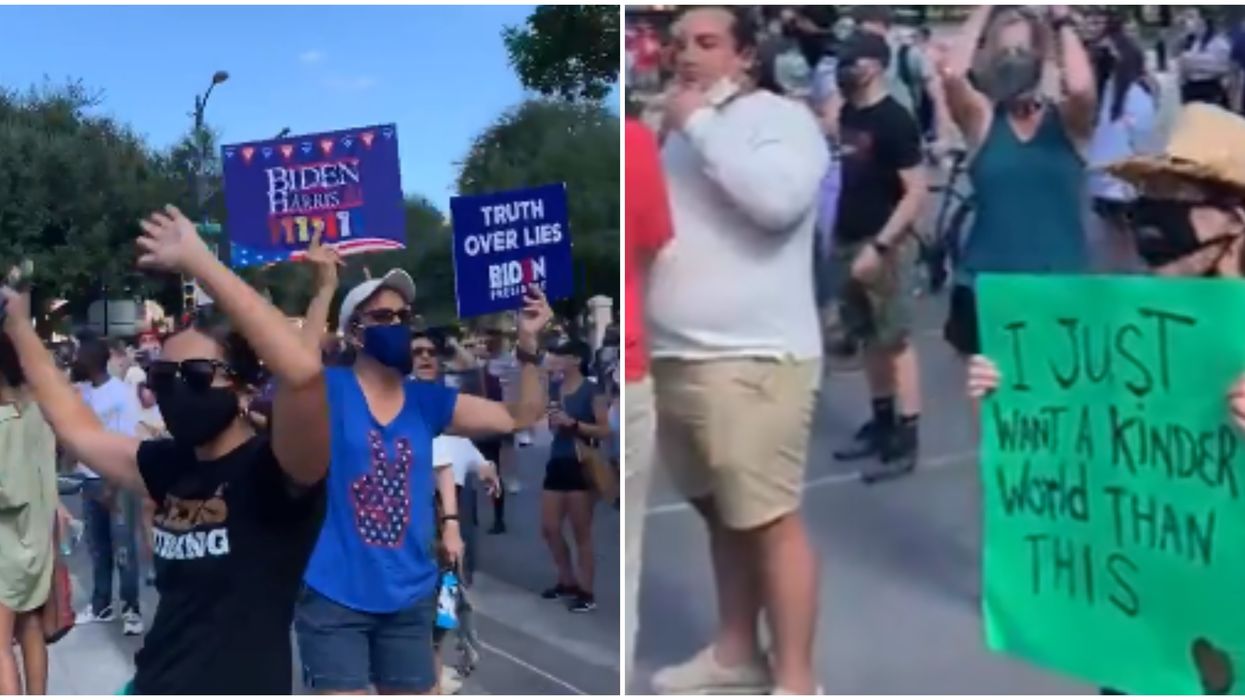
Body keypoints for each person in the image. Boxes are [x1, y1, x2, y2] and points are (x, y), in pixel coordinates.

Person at [966, 103, 1245, 697]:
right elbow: (1076, 456)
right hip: (1144, 616)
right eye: (1149, 195)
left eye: (1178, 195)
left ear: (1236, 216)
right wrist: (1009, 395)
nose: (1153, 217)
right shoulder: (1127, 325)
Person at [1, 205, 331, 694]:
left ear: (242, 388)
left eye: (197, 376)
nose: (177, 390)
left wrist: (200, 263)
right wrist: (16, 325)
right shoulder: (169, 465)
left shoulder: (280, 472)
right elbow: (75, 426)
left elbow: (303, 375)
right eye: (163, 376)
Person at [648, 6, 828, 694]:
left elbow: (777, 202)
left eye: (705, 42)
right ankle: (734, 652)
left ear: (745, 56)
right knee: (722, 512)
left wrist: (695, 124)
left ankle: (796, 680)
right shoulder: (680, 133)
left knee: (768, 518)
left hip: (756, 357)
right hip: (679, 356)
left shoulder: (779, 121)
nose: (684, 55)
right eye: (676, 43)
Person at [293, 259, 552, 695]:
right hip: (334, 595)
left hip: (409, 596)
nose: (397, 325)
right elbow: (295, 370)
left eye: (403, 317)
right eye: (382, 317)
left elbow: (518, 415)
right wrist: (323, 290)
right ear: (355, 333)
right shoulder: (331, 389)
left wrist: (528, 345)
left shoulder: (426, 401)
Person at [941, 5, 1097, 359]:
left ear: (1041, 57)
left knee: (1057, 401)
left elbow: (1082, 87)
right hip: (985, 285)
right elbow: (951, 73)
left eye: (1023, 50)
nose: (1013, 60)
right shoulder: (982, 119)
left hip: (1059, 284)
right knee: (993, 407)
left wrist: (1061, 20)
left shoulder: (1068, 123)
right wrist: (985, 8)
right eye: (1004, 51)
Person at [828, 31, 928, 482]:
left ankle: (908, 433)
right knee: (867, 335)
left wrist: (882, 245)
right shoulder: (850, 112)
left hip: (882, 242)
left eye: (853, 62)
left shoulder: (895, 120)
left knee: (896, 340)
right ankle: (882, 419)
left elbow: (916, 192)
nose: (845, 69)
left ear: (874, 65)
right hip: (849, 236)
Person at [623, 117, 673, 681]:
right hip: (638, 366)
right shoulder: (636, 140)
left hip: (634, 365)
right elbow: (657, 244)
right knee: (629, 546)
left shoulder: (638, 139)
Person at [0, 334, 64, 695]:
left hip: (5, 541)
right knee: (31, 628)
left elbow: (6, 491)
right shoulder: (37, 410)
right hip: (37, 535)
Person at [71, 336, 144, 636]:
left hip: (118, 482)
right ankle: (101, 604)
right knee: (98, 547)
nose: (75, 359)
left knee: (124, 548)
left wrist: (113, 486)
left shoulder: (122, 394)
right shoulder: (82, 392)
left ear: (91, 358)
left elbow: (127, 442)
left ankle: (131, 609)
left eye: (79, 354)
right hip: (89, 479)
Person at [540, 339, 610, 614]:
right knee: (549, 528)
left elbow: (605, 430)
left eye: (561, 357)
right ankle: (566, 580)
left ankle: (586, 591)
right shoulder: (555, 388)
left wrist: (575, 424)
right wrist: (554, 421)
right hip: (557, 460)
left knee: (581, 533)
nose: (555, 361)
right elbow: (552, 425)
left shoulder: (592, 390)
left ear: (575, 361)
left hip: (581, 463)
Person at [1088, 30, 1158, 272]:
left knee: (1113, 239)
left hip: (1100, 178)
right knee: (1129, 242)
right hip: (1124, 181)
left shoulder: (1107, 91)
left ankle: (1113, 282)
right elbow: (1144, 139)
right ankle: (1126, 285)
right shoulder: (1137, 94)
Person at [1178, 8, 1231, 107]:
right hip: (1190, 89)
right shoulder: (1189, 42)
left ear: (1203, 20)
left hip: (1209, 90)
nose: (1187, 21)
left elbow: (1222, 67)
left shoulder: (1218, 42)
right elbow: (1182, 68)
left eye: (1191, 17)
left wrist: (1193, 62)